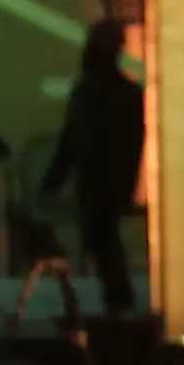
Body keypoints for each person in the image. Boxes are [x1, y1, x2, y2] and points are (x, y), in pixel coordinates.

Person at [56, 20, 145, 321]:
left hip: (97, 181)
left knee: (103, 243)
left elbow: (70, 141)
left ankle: (119, 305)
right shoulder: (128, 95)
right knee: (105, 244)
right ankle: (120, 305)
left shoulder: (88, 94)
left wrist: (53, 181)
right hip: (109, 179)